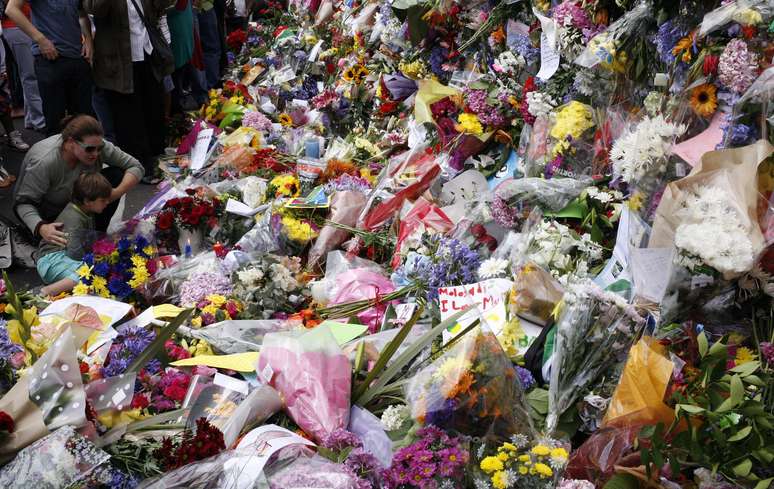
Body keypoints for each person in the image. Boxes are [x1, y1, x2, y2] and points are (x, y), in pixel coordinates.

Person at [12, 114, 144, 246]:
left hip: (80, 202)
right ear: (70, 143)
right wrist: (41, 228)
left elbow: (136, 166)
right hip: (52, 215)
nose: (96, 154)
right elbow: (23, 203)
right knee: (68, 250)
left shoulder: (96, 144)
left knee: (116, 175)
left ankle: (97, 235)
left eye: (99, 148)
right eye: (90, 149)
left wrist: (114, 193)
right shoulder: (45, 162)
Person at [82, 0, 174, 184]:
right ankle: (140, 165)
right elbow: (96, 9)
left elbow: (163, 5)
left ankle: (156, 156)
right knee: (128, 117)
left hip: (147, 53)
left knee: (153, 108)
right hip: (117, 61)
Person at [5, 0, 95, 135]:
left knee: (84, 120)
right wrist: (40, 39)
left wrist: (88, 39)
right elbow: (11, 9)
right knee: (55, 122)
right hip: (50, 58)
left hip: (77, 55)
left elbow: (82, 14)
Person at [36, 172, 111, 296]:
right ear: (87, 201)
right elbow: (75, 253)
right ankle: (47, 291)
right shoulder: (74, 218)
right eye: (103, 200)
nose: (107, 202)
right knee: (88, 273)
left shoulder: (85, 210)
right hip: (51, 261)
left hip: (61, 257)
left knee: (97, 270)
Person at [1, 1, 45, 132]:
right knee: (30, 75)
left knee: (29, 74)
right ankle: (40, 120)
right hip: (16, 25)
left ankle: (32, 118)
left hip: (24, 24)